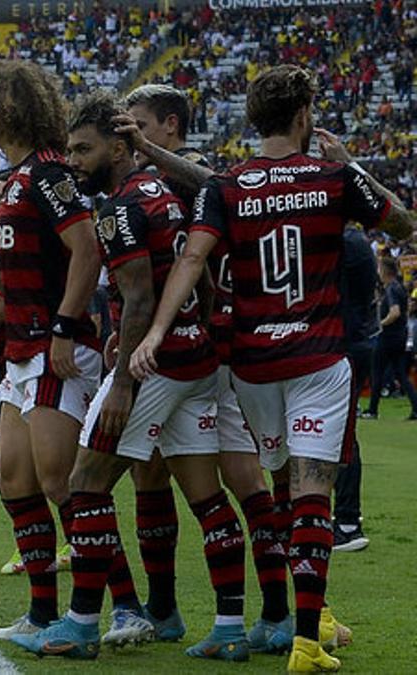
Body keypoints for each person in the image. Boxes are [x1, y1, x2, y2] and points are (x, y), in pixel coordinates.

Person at [131, 65, 413, 672]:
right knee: (314, 492)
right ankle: (308, 638)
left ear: (253, 119)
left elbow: (193, 259)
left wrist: (155, 330)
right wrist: (353, 167)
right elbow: (403, 222)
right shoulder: (336, 178)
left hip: (252, 366)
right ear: (306, 116)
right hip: (317, 356)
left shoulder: (227, 186)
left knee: (281, 490)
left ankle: (299, 618)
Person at [11, 91, 250, 661]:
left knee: (85, 480)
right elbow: (199, 280)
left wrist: (122, 377)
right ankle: (229, 627)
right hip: (196, 360)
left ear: (120, 148)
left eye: (84, 149)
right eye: (68, 148)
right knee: (205, 497)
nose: (73, 160)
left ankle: (81, 623)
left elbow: (139, 295)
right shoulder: (163, 192)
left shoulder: (118, 207)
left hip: (153, 369)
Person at [119, 83, 294, 653]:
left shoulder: (196, 179)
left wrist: (148, 153)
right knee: (157, 475)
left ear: (169, 125)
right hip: (190, 349)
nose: (131, 134)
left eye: (140, 124)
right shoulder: (154, 188)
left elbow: (213, 189)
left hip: (210, 353)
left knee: (241, 481)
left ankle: (271, 612)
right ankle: (171, 607)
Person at [0, 59, 104, 641]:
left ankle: (90, 619)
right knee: (11, 475)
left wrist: (63, 327)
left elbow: (86, 251)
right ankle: (41, 615)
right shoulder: (18, 179)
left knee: (65, 484)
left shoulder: (48, 174)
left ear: (10, 109)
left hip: (56, 349)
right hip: (21, 349)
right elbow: (31, 263)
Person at [332, 226, 380, 554]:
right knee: (343, 434)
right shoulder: (359, 241)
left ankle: (347, 522)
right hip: (357, 339)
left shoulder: (346, 241)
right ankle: (345, 519)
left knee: (341, 437)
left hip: (343, 343)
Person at [364, 257, 417, 420]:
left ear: (385, 271)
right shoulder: (399, 287)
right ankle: (416, 408)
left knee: (377, 371)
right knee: (401, 374)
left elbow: (395, 313)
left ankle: (372, 410)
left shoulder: (391, 289)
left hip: (388, 337)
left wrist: (380, 324)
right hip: (400, 336)